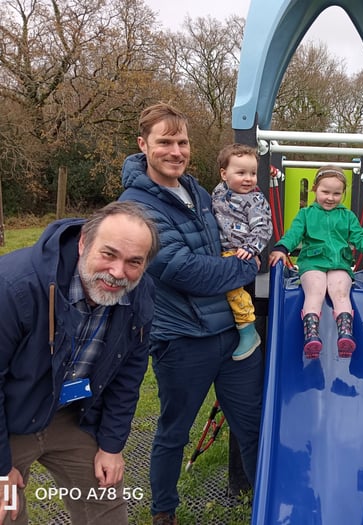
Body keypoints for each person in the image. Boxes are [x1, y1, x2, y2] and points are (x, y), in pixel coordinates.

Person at [119, 103, 264, 525]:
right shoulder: (137, 206)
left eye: (182, 142)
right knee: (174, 431)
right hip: (182, 337)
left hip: (231, 334)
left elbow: (231, 233)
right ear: (143, 145)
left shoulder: (198, 191)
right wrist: (245, 265)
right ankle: (163, 509)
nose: (176, 150)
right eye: (165, 141)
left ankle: (264, 500)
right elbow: (180, 269)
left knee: (252, 426)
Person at [0, 201, 159, 525]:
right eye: (109, 254)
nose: (117, 273)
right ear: (84, 242)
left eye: (134, 262)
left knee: (106, 503)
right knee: (5, 510)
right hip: (9, 416)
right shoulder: (14, 287)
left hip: (71, 415)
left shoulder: (140, 295)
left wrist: (112, 447)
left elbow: (128, 376)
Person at [268, 165, 363, 358]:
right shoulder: (306, 215)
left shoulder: (347, 216)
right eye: (325, 192)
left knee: (341, 293)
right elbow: (293, 234)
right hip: (312, 263)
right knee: (315, 291)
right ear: (315, 188)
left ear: (343, 193)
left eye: (337, 193)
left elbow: (359, 237)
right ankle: (312, 335)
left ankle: (345, 334)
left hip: (339, 264)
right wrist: (282, 248)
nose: (330, 198)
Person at [211, 143, 273, 361]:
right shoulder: (218, 193)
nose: (249, 178)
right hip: (221, 249)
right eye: (241, 173)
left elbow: (263, 227)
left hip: (239, 251)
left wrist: (250, 248)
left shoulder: (254, 200)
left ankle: (247, 328)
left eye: (253, 173)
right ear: (224, 174)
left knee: (232, 290)